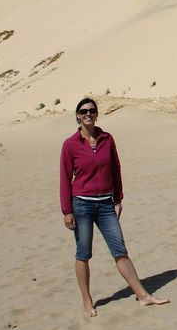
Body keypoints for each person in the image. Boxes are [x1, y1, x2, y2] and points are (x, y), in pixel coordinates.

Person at [60, 98, 169, 317]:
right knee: (83, 253)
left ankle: (143, 296)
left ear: (97, 114)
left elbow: (115, 170)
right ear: (78, 116)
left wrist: (118, 198)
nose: (88, 114)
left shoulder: (107, 139)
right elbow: (64, 178)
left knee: (120, 250)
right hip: (81, 205)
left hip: (106, 204)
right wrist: (67, 211)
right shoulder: (70, 144)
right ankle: (87, 302)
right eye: (83, 111)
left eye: (91, 111)